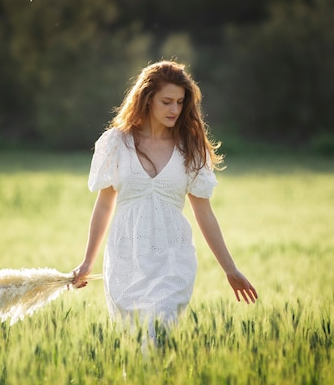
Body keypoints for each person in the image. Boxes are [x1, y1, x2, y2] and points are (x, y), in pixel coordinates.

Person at [72, 61, 257, 339]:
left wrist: (230, 269)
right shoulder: (116, 143)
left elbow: (204, 213)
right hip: (126, 258)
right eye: (167, 101)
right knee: (133, 345)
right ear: (147, 100)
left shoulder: (191, 149)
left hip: (173, 258)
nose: (175, 110)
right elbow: (104, 204)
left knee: (159, 331)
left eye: (180, 102)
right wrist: (87, 262)